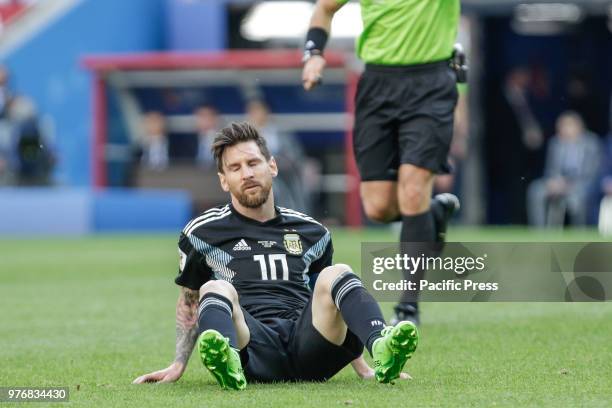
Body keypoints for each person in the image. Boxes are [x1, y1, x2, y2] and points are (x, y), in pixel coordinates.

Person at [133, 122, 418, 390]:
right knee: (213, 287)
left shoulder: (312, 232)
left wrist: (362, 367)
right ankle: (226, 362)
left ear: (272, 166)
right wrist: (178, 364)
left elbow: (333, 302)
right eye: (235, 168)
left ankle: (383, 347)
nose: (246, 174)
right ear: (223, 180)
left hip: (310, 348)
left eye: (253, 163)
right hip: (251, 350)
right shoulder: (201, 233)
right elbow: (189, 300)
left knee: (337, 272)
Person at [302, 0, 461, 324]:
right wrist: (314, 54)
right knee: (379, 208)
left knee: (413, 188)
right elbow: (324, 8)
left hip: (431, 83)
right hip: (377, 86)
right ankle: (431, 215)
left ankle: (408, 307)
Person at [527, 111, 601, 227]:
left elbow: (592, 173)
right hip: (559, 182)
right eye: (561, 126)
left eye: (568, 125)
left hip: (580, 184)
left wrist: (569, 184)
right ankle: (538, 232)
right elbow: (550, 169)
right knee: (536, 190)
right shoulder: (555, 143)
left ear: (579, 126)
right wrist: (555, 182)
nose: (564, 129)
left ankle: (579, 234)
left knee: (579, 197)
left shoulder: (591, 143)